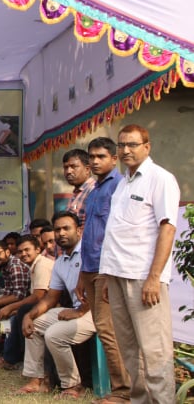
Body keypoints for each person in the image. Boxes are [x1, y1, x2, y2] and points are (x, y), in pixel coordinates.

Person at [100, 124, 180, 403]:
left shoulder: (160, 179)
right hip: (117, 274)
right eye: (121, 145)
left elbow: (168, 228)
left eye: (132, 145)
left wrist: (154, 277)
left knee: (154, 351)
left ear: (147, 147)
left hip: (143, 277)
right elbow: (118, 232)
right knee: (130, 351)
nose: (125, 150)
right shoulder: (123, 182)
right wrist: (108, 277)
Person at [74, 137, 131, 403]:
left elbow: (117, 232)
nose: (95, 161)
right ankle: (121, 389)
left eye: (101, 156)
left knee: (109, 330)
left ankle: (124, 391)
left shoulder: (119, 187)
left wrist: (108, 272)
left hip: (107, 269)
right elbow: (90, 234)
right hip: (90, 267)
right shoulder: (95, 189)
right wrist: (81, 273)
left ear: (114, 158)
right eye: (92, 157)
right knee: (103, 329)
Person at [16, 211, 95, 398]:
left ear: (79, 230)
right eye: (57, 230)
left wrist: (81, 310)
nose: (61, 233)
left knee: (54, 334)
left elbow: (99, 288)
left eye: (66, 228)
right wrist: (29, 316)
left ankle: (73, 385)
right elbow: (51, 297)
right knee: (34, 324)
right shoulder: (60, 262)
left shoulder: (90, 253)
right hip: (77, 309)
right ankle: (37, 380)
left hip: (96, 310)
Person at [0, 235, 54, 370]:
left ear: (38, 249)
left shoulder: (40, 265)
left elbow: (35, 296)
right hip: (41, 303)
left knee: (17, 316)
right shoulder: (31, 265)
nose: (23, 254)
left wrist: (8, 307)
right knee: (4, 307)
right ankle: (1, 349)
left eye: (27, 250)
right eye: (20, 251)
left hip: (51, 306)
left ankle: (12, 359)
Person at [62, 149, 95, 226]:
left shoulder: (93, 190)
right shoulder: (77, 192)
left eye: (73, 167)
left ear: (87, 169)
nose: (68, 171)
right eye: (66, 167)